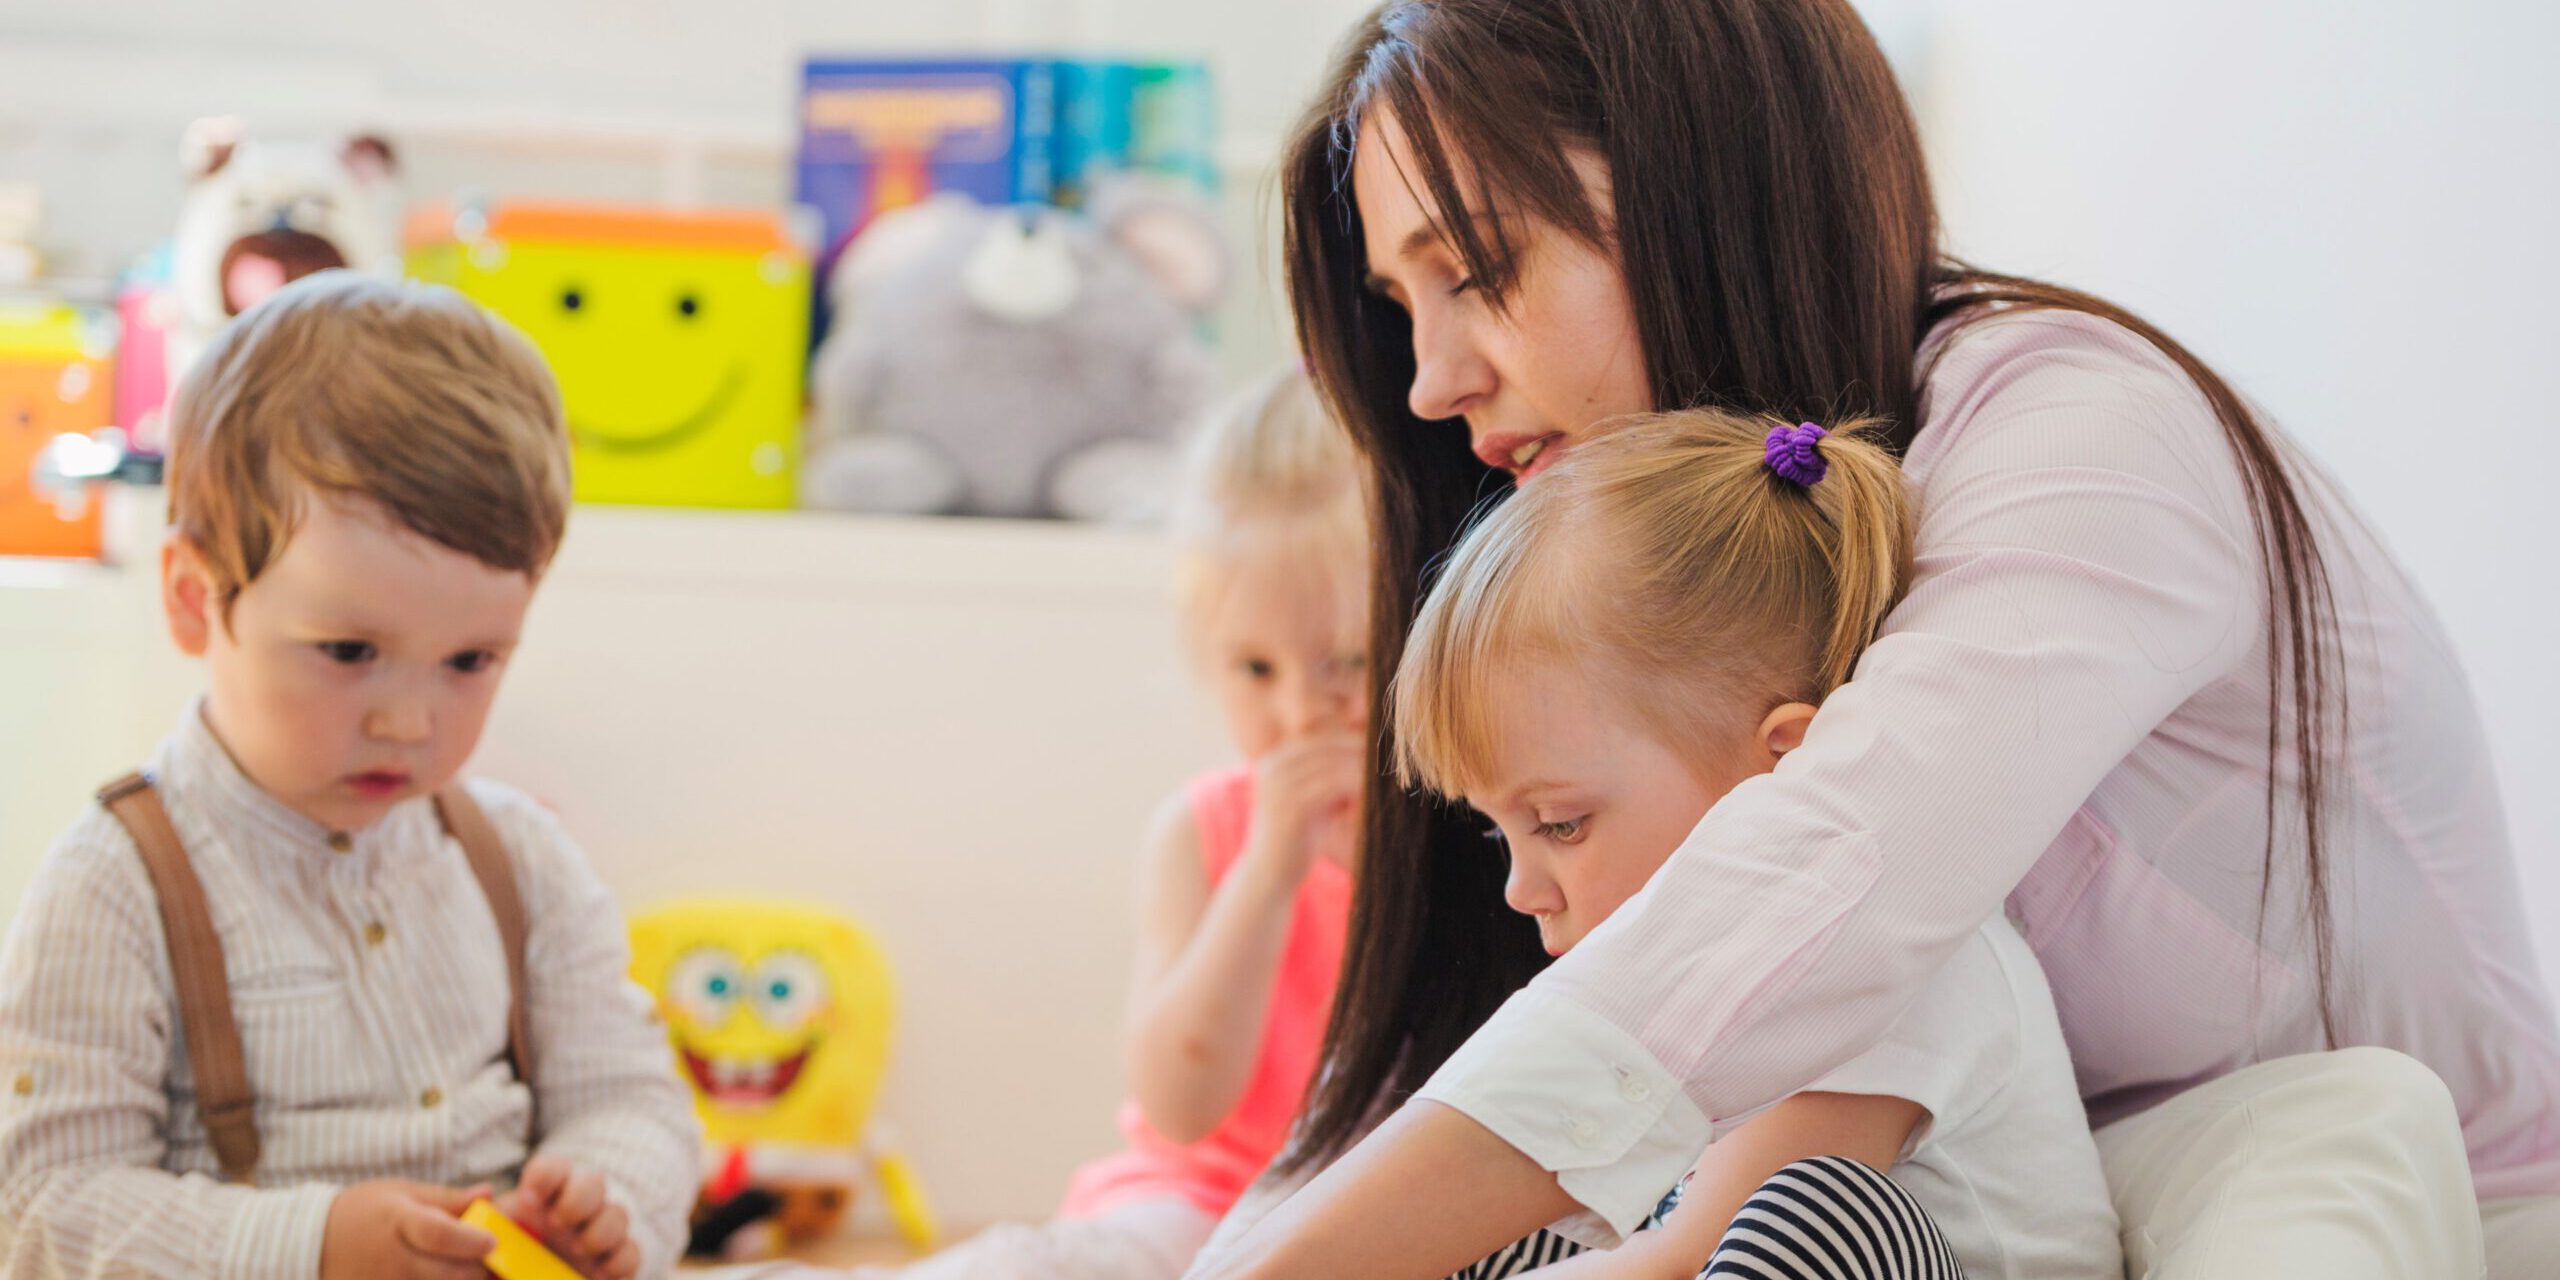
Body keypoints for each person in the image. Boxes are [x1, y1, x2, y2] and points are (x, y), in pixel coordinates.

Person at [1191, 1, 2560, 1276]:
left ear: (1707, 194)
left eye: (1478, 272)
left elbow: (1829, 875)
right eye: (1400, 308)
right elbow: (1469, 1075)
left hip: (2386, 1184)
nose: (1434, 382)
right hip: (2006, 1183)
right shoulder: (1667, 610)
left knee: (2340, 1113)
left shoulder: (2082, 442)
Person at [0, 273, 699, 1279]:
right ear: (197, 599)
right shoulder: (115, 886)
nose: (408, 720)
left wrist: (608, 1193)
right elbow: (42, 1209)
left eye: (471, 661)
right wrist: (312, 1245)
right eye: (347, 650)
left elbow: (634, 1098)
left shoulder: (520, 858)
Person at [1396, 410, 2119, 1278]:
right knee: (1513, 1215)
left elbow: (1684, 1256)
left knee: (1820, 1215)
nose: (1521, 889)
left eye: (1560, 824)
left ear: (1781, 768)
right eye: (1497, 830)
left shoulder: (1898, 970)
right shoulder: (1683, 1011)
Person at [859, 369, 1368, 1280]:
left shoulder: (1479, 826)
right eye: (1254, 668)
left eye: (1346, 663)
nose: (1299, 714)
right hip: (1192, 1205)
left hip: (1378, 1218)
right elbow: (1179, 1107)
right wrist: (1266, 876)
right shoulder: (1203, 833)